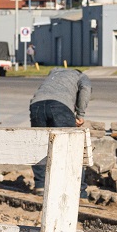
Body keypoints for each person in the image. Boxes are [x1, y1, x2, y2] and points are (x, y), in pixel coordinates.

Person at [29, 67, 91, 196]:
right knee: (71, 148)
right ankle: (79, 191)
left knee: (40, 146)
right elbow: (85, 90)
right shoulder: (81, 76)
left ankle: (40, 185)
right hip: (60, 106)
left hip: (36, 105)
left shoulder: (53, 73)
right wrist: (80, 114)